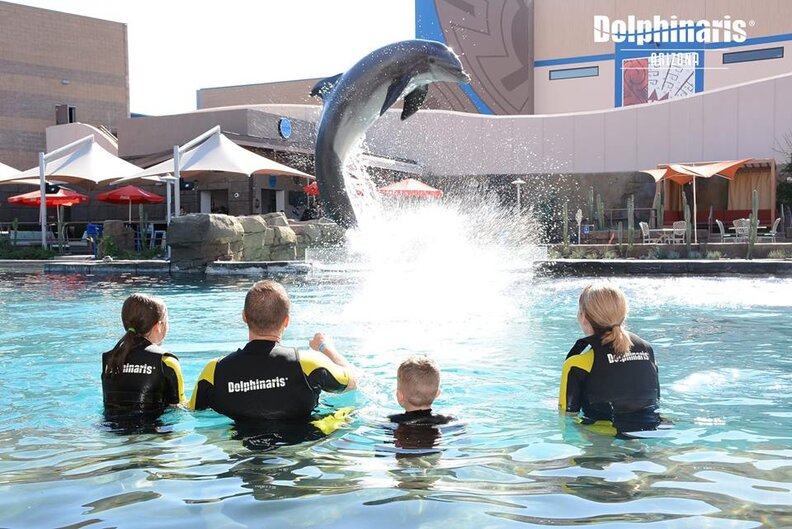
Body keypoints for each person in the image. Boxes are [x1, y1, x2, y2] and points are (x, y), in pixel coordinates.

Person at [189, 280, 357, 422]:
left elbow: (191, 412)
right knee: (347, 415)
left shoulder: (214, 370)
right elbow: (352, 381)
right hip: (301, 449)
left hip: (240, 451)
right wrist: (325, 347)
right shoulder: (309, 364)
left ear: (244, 317)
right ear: (286, 321)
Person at [559, 283, 660, 436]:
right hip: (652, 426)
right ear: (624, 314)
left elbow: (567, 417)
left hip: (602, 437)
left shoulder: (577, 364)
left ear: (583, 317)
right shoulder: (647, 349)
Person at [101, 293, 185, 414]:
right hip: (152, 432)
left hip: (110, 431)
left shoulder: (109, 358)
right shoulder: (166, 361)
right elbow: (178, 407)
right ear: (158, 326)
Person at [387, 357, 454, 450]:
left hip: (404, 457)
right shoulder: (446, 420)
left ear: (399, 395)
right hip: (434, 455)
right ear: (437, 394)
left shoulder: (393, 421)